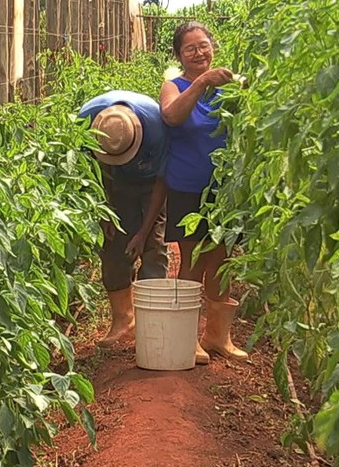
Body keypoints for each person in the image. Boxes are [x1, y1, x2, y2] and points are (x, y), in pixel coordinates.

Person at [158, 21, 247, 363]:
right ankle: (187, 339)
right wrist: (201, 83)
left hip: (224, 189)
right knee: (192, 261)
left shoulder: (231, 86)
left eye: (204, 45)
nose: (199, 52)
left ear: (214, 47)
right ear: (179, 55)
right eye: (190, 49)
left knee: (221, 261)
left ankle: (218, 337)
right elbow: (172, 117)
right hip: (187, 187)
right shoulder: (174, 86)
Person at [78, 91, 170, 347]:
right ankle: (123, 320)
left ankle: (150, 322)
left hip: (151, 182)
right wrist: (103, 209)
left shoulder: (157, 127)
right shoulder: (85, 121)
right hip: (111, 180)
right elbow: (87, 172)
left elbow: (162, 183)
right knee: (114, 246)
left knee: (154, 246)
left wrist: (143, 232)